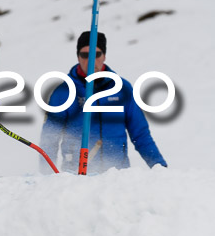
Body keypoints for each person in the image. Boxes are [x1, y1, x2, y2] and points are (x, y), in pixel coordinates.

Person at [39, 31, 167, 174]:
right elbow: (49, 138)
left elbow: (141, 135)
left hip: (116, 175)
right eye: (85, 55)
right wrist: (47, 176)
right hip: (76, 176)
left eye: (97, 54)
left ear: (104, 56)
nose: (91, 59)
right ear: (78, 57)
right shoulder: (64, 92)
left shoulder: (122, 89)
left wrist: (160, 169)